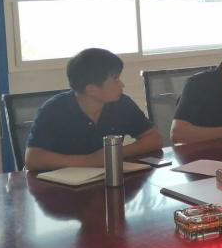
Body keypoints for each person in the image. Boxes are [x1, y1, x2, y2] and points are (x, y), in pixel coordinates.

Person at [25, 48, 162, 172]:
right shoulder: (53, 110)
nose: (122, 85)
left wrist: (115, 152)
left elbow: (154, 139)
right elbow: (33, 159)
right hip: (64, 186)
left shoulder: (122, 103)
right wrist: (89, 161)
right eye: (115, 80)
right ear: (91, 89)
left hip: (109, 179)